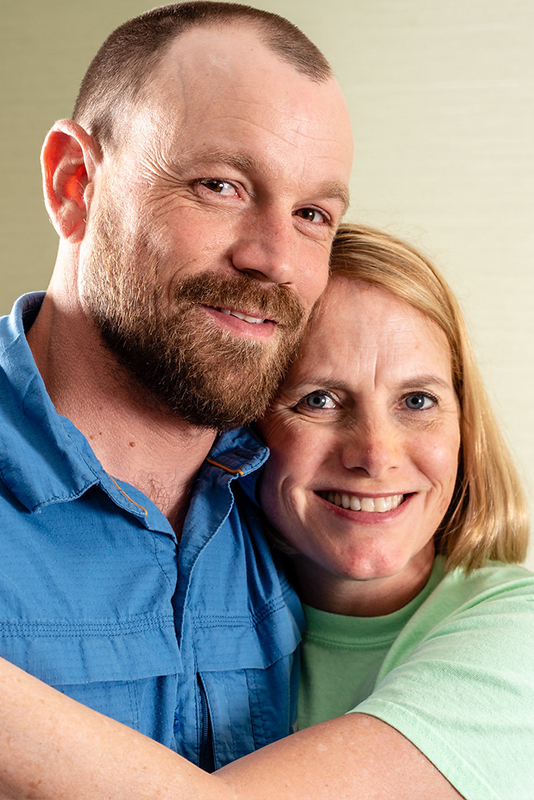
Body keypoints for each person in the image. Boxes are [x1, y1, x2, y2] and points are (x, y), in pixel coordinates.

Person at [1, 224, 532, 800]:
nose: (376, 455)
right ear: (247, 433)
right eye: (319, 400)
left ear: (463, 424)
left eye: (417, 401)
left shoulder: (515, 637)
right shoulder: (222, 603)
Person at [0, 0, 353, 769]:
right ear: (74, 184)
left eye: (312, 213)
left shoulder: (306, 497)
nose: (275, 260)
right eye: (221, 185)